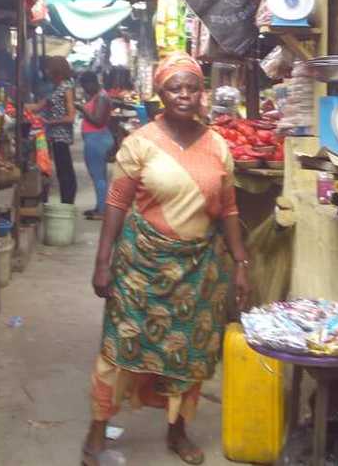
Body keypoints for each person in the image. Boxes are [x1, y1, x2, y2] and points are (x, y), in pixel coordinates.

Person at [82, 52, 251, 466]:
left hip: (199, 270)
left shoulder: (217, 145)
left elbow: (229, 208)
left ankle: (178, 430)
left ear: (201, 93)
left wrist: (241, 263)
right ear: (161, 93)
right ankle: (98, 428)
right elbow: (117, 202)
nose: (184, 95)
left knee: (189, 353)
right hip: (141, 265)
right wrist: (103, 261)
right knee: (119, 347)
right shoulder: (141, 142)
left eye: (192, 87)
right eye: (175, 88)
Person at [27, 56, 77, 205]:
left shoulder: (66, 87)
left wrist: (50, 122)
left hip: (61, 135)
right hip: (54, 135)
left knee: (64, 170)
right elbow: (38, 106)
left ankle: (67, 203)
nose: (47, 71)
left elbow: (71, 117)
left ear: (56, 70)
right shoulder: (56, 87)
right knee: (62, 170)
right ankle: (66, 201)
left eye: (49, 68)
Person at [76, 71, 114, 220]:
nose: (85, 89)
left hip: (97, 139)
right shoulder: (99, 96)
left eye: (85, 86)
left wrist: (82, 109)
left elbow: (98, 121)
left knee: (98, 176)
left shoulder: (102, 97)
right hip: (96, 138)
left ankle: (102, 211)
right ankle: (100, 207)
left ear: (91, 83)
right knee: (99, 176)